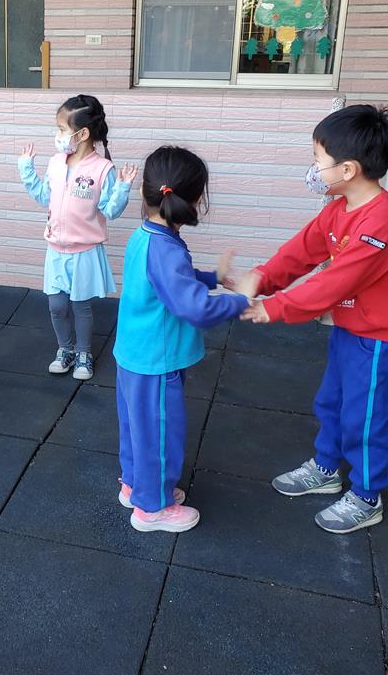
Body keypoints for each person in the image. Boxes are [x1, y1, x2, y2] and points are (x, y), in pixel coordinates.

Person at [236, 104, 388, 534]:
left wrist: (274, 306)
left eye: (318, 160)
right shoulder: (339, 208)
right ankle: (326, 468)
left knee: (365, 416)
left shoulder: (382, 222)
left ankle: (366, 495)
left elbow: (336, 282)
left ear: (348, 169)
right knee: (333, 401)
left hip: (383, 338)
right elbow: (302, 250)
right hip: (352, 328)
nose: (313, 169)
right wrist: (262, 277)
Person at [114, 146, 249, 533]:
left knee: (137, 427)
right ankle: (152, 507)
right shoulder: (166, 248)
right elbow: (194, 308)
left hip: (135, 356)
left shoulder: (146, 235)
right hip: (156, 362)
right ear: (194, 201)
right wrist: (241, 301)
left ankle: (135, 485)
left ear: (146, 191)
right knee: (161, 434)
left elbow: (168, 282)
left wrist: (211, 278)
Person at [18, 94, 137, 380]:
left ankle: (84, 353)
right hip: (55, 249)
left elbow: (110, 210)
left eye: (61, 129)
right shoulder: (56, 162)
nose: (57, 135)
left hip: (85, 251)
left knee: (81, 306)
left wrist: (122, 189)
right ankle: (65, 349)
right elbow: (44, 197)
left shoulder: (103, 169)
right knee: (56, 306)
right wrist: (27, 170)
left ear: (82, 134)